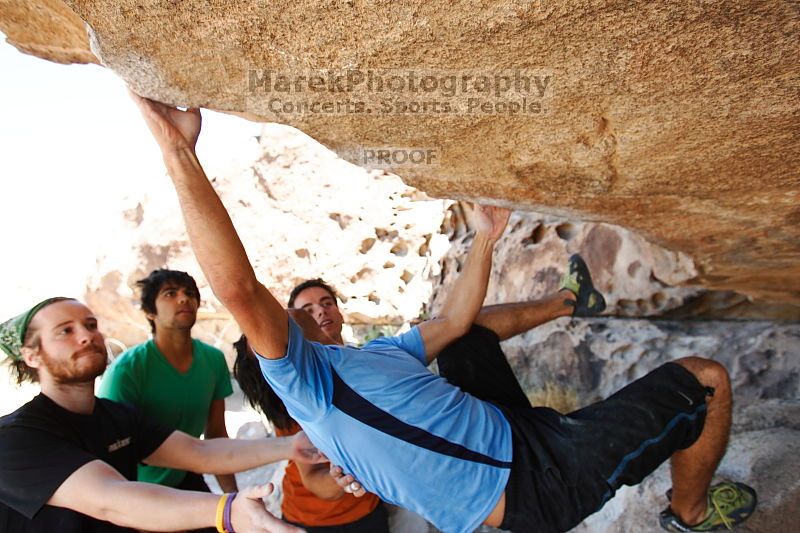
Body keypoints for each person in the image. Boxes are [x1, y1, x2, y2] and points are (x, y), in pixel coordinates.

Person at [132, 92, 757, 533]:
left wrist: (484, 237)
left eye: (325, 303)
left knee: (460, 341)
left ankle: (569, 304)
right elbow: (239, 289)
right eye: (300, 311)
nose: (313, 313)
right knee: (706, 378)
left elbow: (456, 322)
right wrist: (177, 152)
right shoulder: (307, 386)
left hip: (519, 434)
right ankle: (690, 515)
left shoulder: (366, 358)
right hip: (535, 482)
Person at [0, 297, 325, 532]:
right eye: (64, 331)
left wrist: (292, 446)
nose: (86, 335)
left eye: (90, 325)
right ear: (31, 356)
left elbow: (198, 452)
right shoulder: (15, 439)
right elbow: (111, 498)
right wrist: (227, 510)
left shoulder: (117, 417)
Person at [99, 269, 238, 501]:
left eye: (190, 293)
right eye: (170, 293)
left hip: (186, 476)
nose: (184, 298)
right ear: (150, 312)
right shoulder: (128, 370)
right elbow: (109, 450)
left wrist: (234, 498)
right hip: (138, 490)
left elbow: (216, 435)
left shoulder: (213, 359)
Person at [234, 335, 389, 532]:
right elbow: (315, 479)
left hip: (367, 508)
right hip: (315, 520)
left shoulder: (361, 362)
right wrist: (353, 467)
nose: (320, 313)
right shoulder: (292, 405)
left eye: (326, 302)